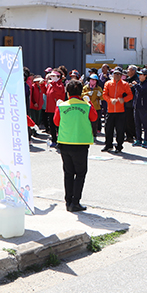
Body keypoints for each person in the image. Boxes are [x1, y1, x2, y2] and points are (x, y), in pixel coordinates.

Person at [54, 79, 98, 212]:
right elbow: (94, 118)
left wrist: (57, 106)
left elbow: (56, 122)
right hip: (80, 144)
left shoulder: (62, 106)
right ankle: (75, 202)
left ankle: (68, 201)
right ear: (81, 92)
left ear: (67, 92)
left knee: (68, 173)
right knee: (80, 173)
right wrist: (88, 101)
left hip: (65, 143)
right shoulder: (86, 106)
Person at [101, 67, 133, 153]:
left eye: (119, 74)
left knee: (120, 130)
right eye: (115, 73)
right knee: (108, 129)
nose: (117, 75)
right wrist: (110, 100)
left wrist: (124, 99)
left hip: (120, 110)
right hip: (110, 110)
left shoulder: (125, 84)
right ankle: (108, 145)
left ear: (121, 75)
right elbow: (104, 95)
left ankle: (119, 146)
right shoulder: (108, 83)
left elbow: (130, 95)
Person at [44, 71, 66, 147]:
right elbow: (46, 92)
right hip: (50, 108)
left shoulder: (60, 84)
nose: (52, 77)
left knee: (58, 126)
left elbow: (59, 91)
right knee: (52, 126)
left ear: (58, 76)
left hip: (57, 109)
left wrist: (52, 83)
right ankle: (54, 140)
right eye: (51, 75)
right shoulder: (51, 84)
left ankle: (60, 141)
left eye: (54, 76)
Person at [132, 68, 147, 147]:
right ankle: (138, 139)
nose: (139, 76)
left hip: (144, 107)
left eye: (141, 75)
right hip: (136, 106)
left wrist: (135, 85)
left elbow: (142, 91)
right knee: (137, 124)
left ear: (145, 76)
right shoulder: (139, 83)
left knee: (144, 125)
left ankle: (146, 140)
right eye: (139, 74)